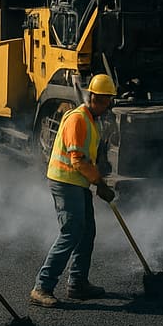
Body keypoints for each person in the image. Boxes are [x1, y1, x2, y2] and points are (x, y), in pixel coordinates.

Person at [30, 75, 117, 307]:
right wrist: (99, 183)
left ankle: (78, 284)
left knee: (87, 232)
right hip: (66, 182)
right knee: (71, 232)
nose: (108, 105)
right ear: (94, 98)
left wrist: (97, 179)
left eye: (109, 100)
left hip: (77, 182)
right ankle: (42, 287)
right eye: (105, 100)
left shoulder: (90, 118)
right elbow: (77, 160)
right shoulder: (78, 119)